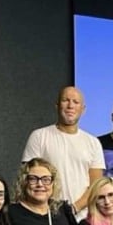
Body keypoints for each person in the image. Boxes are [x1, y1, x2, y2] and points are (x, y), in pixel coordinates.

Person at [22, 86, 105, 215]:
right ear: (57, 105)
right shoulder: (39, 136)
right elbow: (27, 178)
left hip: (82, 217)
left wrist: (73, 208)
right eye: (66, 100)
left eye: (76, 102)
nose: (70, 105)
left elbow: (96, 185)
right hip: (45, 214)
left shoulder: (93, 142)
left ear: (83, 109)